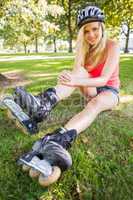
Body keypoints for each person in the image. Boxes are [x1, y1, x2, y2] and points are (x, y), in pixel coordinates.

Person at [18, 5, 120, 183]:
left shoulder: (113, 46)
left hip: (109, 91)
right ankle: (43, 104)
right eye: (86, 31)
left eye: (95, 29)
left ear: (102, 27)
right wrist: (69, 78)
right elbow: (76, 76)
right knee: (75, 73)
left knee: (94, 105)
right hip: (89, 89)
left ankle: (60, 139)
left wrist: (75, 80)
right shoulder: (83, 48)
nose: (91, 35)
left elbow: (104, 80)